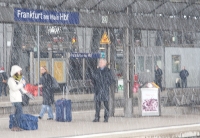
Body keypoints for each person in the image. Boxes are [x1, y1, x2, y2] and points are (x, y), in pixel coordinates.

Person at [7, 65, 27, 131]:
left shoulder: (18, 79)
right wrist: (21, 84)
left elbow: (21, 89)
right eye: (19, 71)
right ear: (15, 71)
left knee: (17, 112)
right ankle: (15, 126)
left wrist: (27, 92)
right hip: (15, 99)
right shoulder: (11, 80)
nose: (20, 72)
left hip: (19, 98)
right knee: (19, 112)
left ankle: (15, 126)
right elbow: (14, 88)